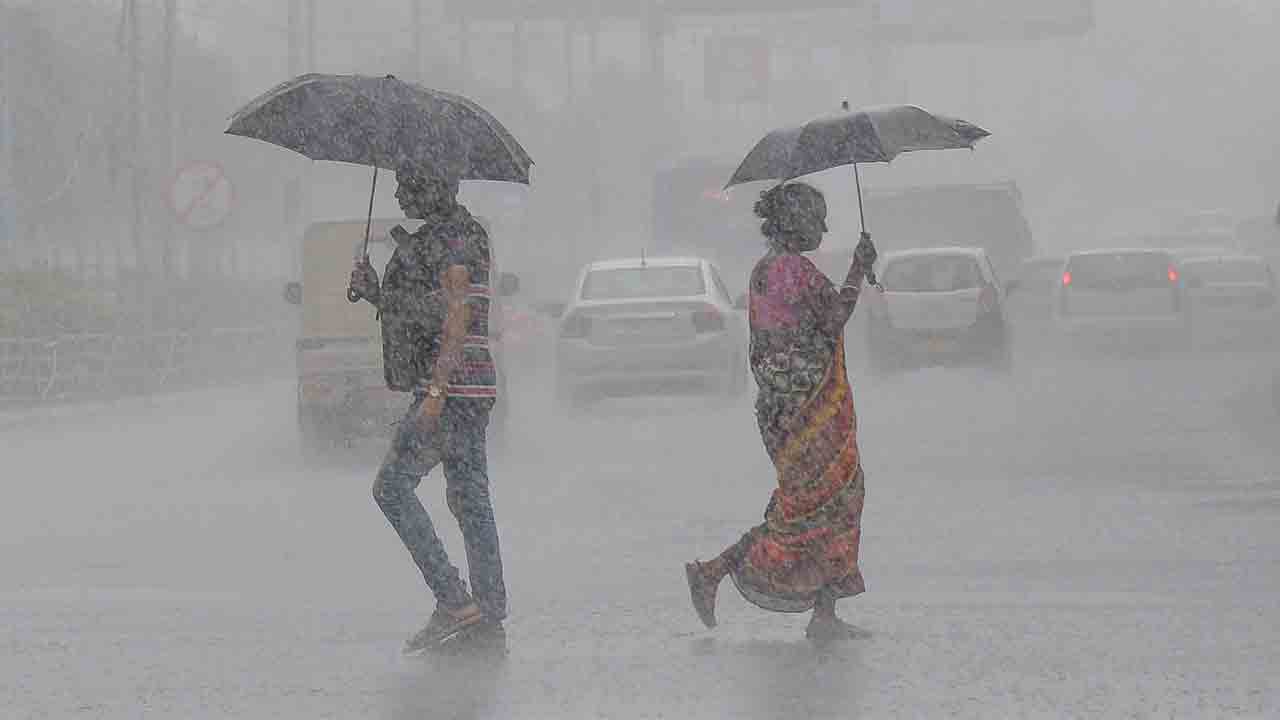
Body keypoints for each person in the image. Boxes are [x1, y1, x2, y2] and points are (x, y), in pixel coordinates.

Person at [684, 182, 878, 642]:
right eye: (818, 216)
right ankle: (717, 571)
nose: (824, 226)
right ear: (796, 220)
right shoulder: (796, 270)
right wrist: (857, 268)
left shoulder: (764, 270)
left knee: (814, 505)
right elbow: (833, 320)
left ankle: (820, 610)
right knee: (824, 505)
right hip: (808, 411)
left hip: (777, 411)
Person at [349, 165, 507, 654]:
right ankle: (488, 607)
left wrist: (436, 393)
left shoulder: (453, 240)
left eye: (406, 181)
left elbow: (457, 315)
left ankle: (454, 600)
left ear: (429, 184)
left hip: (453, 388)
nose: (398, 189)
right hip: (473, 387)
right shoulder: (455, 235)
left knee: (392, 487)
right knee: (469, 497)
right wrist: (376, 290)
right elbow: (426, 310)